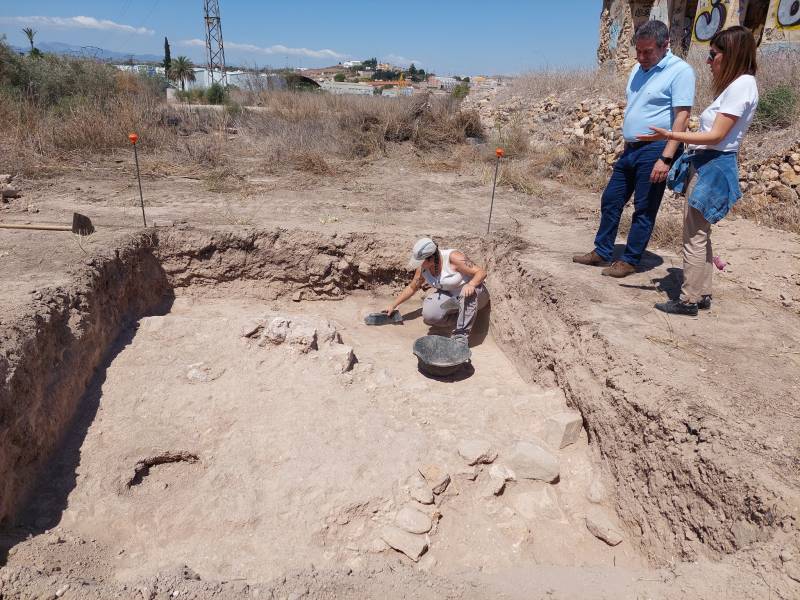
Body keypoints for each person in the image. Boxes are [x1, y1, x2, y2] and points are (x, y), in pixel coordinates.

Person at [638, 26, 759, 316]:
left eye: (713, 54)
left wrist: (670, 136)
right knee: (700, 233)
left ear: (731, 54)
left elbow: (716, 136)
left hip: (713, 165)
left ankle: (688, 299)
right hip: (711, 163)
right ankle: (702, 292)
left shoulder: (742, 85)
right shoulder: (742, 85)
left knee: (693, 236)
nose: (708, 61)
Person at [573, 20, 695, 278]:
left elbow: (681, 117)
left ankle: (630, 260)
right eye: (638, 51)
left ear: (665, 45)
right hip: (631, 149)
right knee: (611, 199)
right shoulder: (638, 69)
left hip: (656, 149)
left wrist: (666, 157)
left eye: (647, 52)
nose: (641, 57)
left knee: (644, 206)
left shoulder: (680, 71)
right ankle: (602, 251)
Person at [385, 237, 489, 345]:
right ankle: (463, 318)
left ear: (430, 258)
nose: (419, 264)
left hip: (475, 295)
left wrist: (471, 284)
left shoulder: (453, 258)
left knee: (466, 292)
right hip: (452, 298)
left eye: (421, 261)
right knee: (430, 314)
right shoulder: (423, 268)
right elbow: (412, 287)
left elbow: (481, 272)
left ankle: (461, 337)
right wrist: (393, 305)